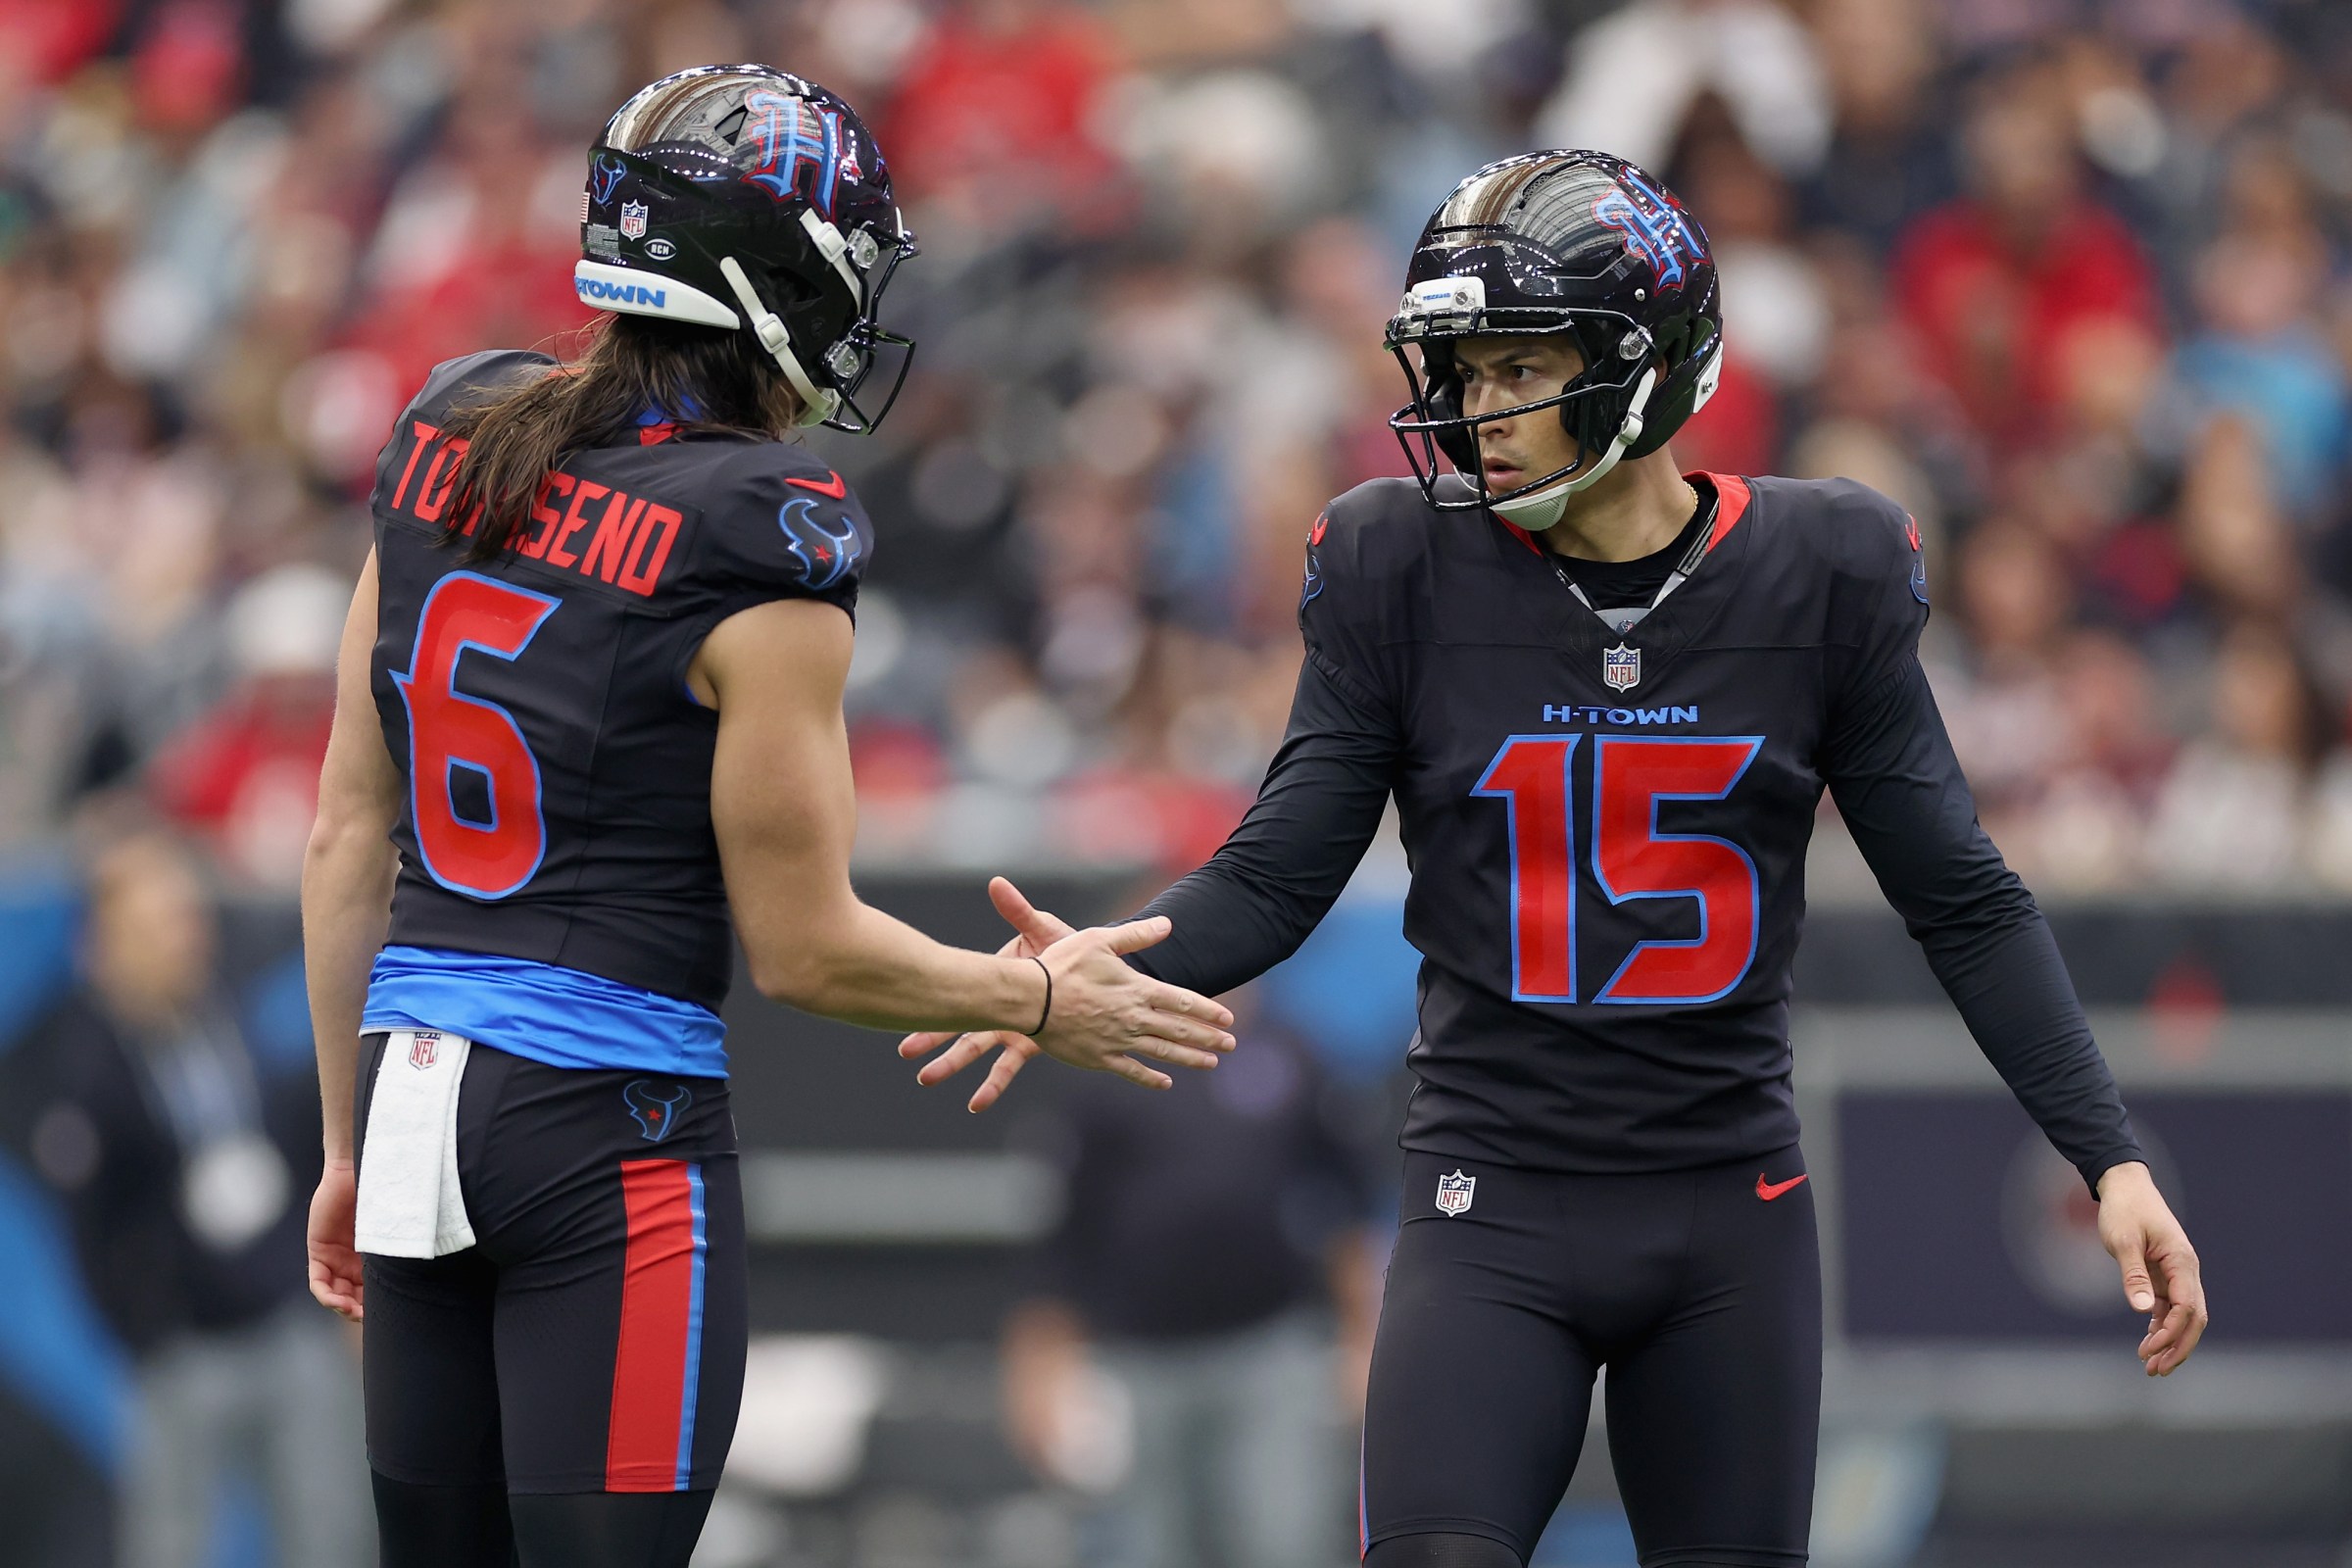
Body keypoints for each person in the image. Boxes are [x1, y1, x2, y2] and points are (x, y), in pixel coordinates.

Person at [904, 151, 2208, 1568]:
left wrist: (2110, 1154)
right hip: (1489, 1205)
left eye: (1516, 365)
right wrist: (1101, 959)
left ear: (1641, 371)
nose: (1476, 411)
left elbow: (1958, 896)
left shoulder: (1820, 568)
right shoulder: (1398, 561)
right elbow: (1281, 869)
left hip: (1729, 1218)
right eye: (1460, 371)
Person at [299, 65, 1233, 1568]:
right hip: (605, 1124)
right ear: (768, 277)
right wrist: (1037, 997)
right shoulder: (760, 523)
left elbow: (350, 831)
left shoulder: (454, 427)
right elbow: (805, 950)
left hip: (414, 1103)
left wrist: (347, 1148)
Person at [25, 828, 368, 1568]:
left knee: (329, 1532)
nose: (183, 940)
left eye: (187, 918)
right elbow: (87, 1228)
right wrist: (149, 1328)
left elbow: (298, 1144)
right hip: (182, 1353)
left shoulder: (231, 1008)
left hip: (285, 1328)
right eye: (159, 926)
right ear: (110, 942)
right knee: (173, 1543)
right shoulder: (88, 1065)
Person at [1001, 994, 1379, 1568]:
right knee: (1142, 1549)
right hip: (1135, 1363)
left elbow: (1349, 1210)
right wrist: (1038, 1370)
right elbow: (1063, 1236)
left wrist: (1365, 1341)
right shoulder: (1099, 1068)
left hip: (1270, 1349)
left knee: (1282, 1540)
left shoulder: (1291, 1051)